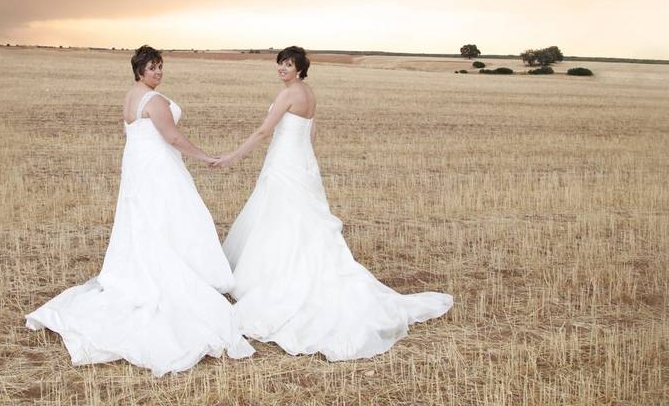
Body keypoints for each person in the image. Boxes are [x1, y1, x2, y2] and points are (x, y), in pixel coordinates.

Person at [25, 45, 254, 376]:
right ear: (139, 71)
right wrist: (206, 157)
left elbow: (134, 136)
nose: (158, 72)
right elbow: (172, 137)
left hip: (139, 168)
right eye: (152, 68)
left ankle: (147, 269)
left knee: (146, 222)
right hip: (158, 168)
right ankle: (175, 276)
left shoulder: (130, 97)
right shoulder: (155, 101)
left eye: (160, 66)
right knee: (175, 220)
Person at [212, 46, 453, 360]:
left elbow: (263, 131)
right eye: (280, 63)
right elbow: (312, 130)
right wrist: (301, 158)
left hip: (286, 164)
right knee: (295, 218)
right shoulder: (309, 93)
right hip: (298, 162)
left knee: (281, 217)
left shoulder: (288, 94)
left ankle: (276, 279)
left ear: (299, 69)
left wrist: (232, 157)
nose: (282, 69)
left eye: (288, 65)